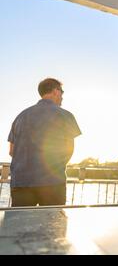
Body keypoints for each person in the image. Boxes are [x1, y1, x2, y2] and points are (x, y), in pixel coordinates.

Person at [8, 78, 81, 207]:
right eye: (62, 91)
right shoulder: (65, 115)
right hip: (52, 183)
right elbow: (69, 149)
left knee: (19, 225)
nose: (62, 96)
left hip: (21, 183)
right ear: (55, 91)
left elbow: (12, 151)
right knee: (52, 226)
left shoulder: (20, 117)